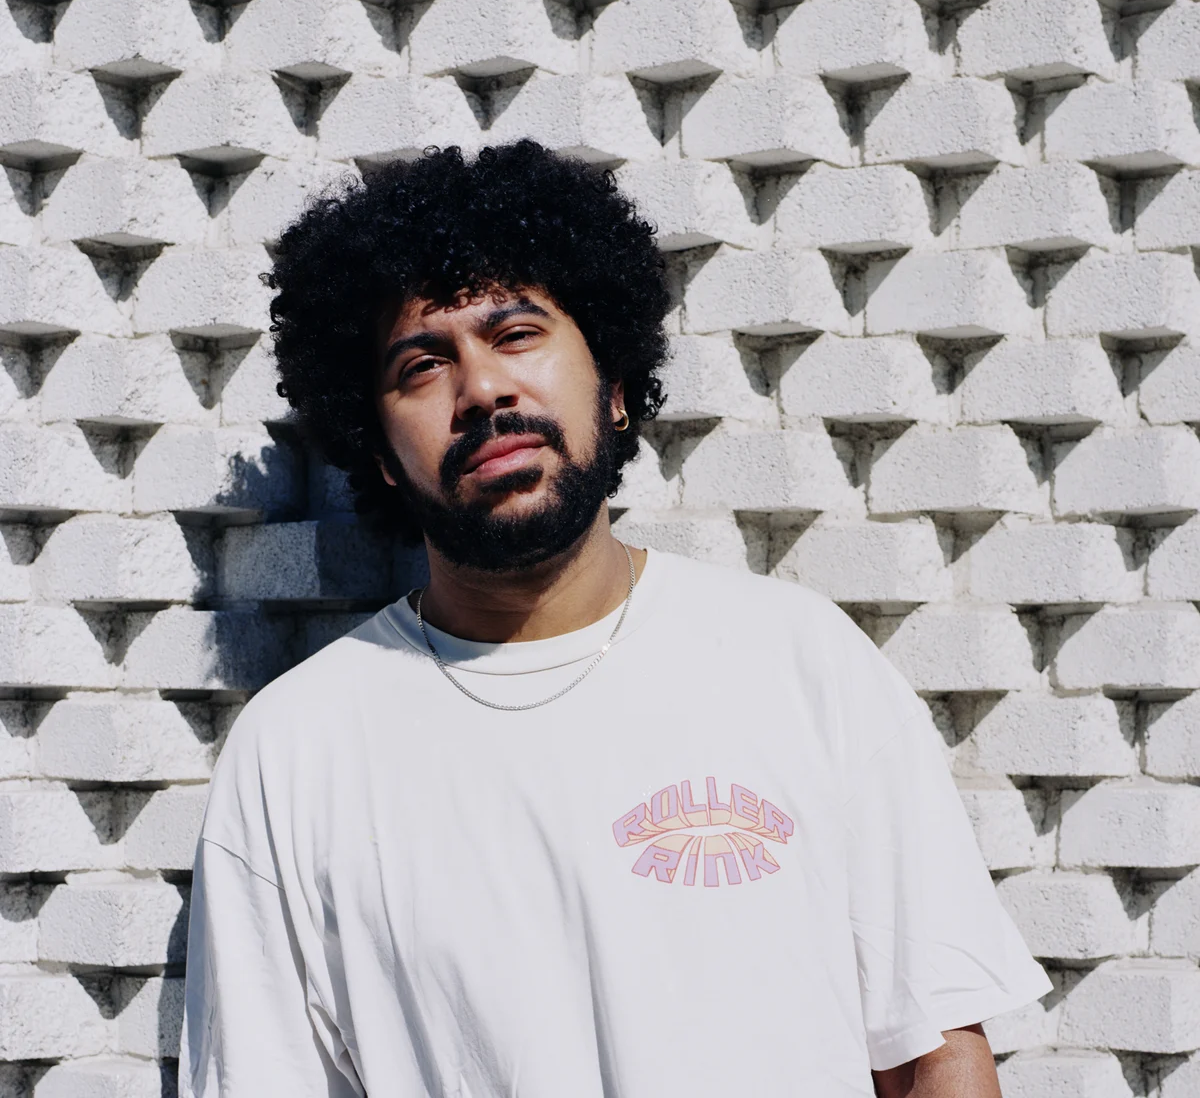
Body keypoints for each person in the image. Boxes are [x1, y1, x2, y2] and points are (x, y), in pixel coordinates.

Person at [180, 140, 1050, 1098]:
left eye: (517, 335)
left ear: (618, 386)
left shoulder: (801, 663)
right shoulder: (295, 754)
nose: (482, 390)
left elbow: (936, 1057)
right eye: (423, 365)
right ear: (378, 453)